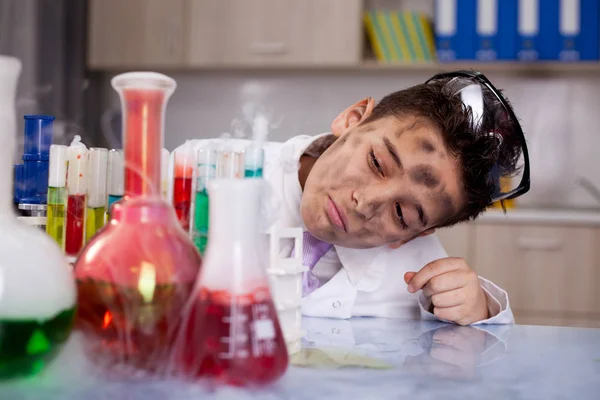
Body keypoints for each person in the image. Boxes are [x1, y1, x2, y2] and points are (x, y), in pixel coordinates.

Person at [178, 70, 530, 326]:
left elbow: (491, 353)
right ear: (352, 120)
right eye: (377, 162)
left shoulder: (421, 269)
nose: (366, 202)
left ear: (419, 234)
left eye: (402, 215)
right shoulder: (203, 171)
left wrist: (481, 308)